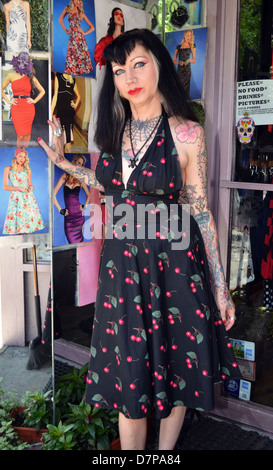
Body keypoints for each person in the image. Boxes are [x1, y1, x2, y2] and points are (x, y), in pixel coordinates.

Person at [38, 29, 241, 451]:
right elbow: (110, 184)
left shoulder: (187, 133)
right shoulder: (116, 132)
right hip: (123, 274)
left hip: (175, 269)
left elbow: (201, 212)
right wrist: (63, 163)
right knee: (129, 392)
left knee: (177, 371)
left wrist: (220, 288)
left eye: (138, 63)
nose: (129, 76)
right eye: (118, 69)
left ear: (159, 65)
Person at [2, 52, 45, 147]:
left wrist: (34, 101)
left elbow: (42, 91)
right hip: (16, 108)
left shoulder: (31, 77)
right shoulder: (11, 75)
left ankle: (25, 152)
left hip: (28, 108)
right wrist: (8, 101)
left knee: (27, 134)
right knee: (20, 135)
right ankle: (19, 153)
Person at [3, 147, 45, 234]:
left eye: (24, 157)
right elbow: (5, 187)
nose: (22, 159)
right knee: (18, 227)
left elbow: (29, 184)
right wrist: (19, 188)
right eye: (20, 156)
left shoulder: (27, 169)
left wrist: (32, 187)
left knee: (27, 227)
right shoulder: (8, 169)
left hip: (27, 199)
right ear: (16, 156)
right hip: (16, 199)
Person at [54, 154, 90, 244]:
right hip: (69, 219)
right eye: (78, 162)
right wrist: (60, 210)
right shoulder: (64, 176)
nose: (79, 166)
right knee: (72, 243)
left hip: (79, 217)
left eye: (81, 164)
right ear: (73, 161)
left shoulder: (80, 179)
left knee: (80, 244)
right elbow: (52, 195)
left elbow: (89, 195)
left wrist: (85, 206)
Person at [59, 0, 95, 76]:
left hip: (80, 40)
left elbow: (92, 28)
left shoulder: (81, 12)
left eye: (79, 0)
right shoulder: (67, 8)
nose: (77, 1)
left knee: (80, 63)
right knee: (72, 61)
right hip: (72, 39)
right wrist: (66, 30)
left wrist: (84, 33)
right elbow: (60, 20)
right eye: (76, 0)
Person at [51, 72, 81, 152]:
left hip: (69, 112)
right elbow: (55, 96)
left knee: (67, 141)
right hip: (61, 111)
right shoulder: (58, 76)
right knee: (61, 140)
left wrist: (75, 104)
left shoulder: (72, 80)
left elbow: (79, 97)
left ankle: (68, 158)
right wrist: (51, 112)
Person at [173, 29, 196, 98]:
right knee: (179, 86)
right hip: (180, 69)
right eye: (187, 35)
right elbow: (174, 60)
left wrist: (189, 60)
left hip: (187, 69)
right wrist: (179, 62)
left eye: (190, 35)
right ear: (184, 36)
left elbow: (194, 59)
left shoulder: (192, 46)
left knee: (186, 88)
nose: (189, 37)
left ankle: (185, 104)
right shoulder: (178, 47)